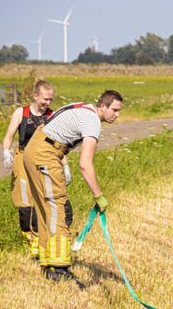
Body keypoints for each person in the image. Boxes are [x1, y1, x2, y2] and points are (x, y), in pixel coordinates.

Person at [23, 90, 122, 282]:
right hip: (45, 154)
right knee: (57, 208)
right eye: (114, 110)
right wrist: (98, 196)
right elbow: (85, 164)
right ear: (103, 106)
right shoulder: (92, 121)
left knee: (46, 209)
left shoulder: (82, 106)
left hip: (35, 150)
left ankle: (47, 262)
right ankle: (59, 268)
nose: (117, 115)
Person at [1, 80, 61, 257]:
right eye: (45, 99)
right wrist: (6, 152)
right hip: (23, 157)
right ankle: (30, 241)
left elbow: (58, 143)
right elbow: (8, 136)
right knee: (25, 203)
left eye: (51, 100)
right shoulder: (21, 113)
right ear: (35, 96)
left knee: (43, 200)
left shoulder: (52, 115)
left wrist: (64, 166)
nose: (48, 103)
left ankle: (44, 240)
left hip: (45, 159)